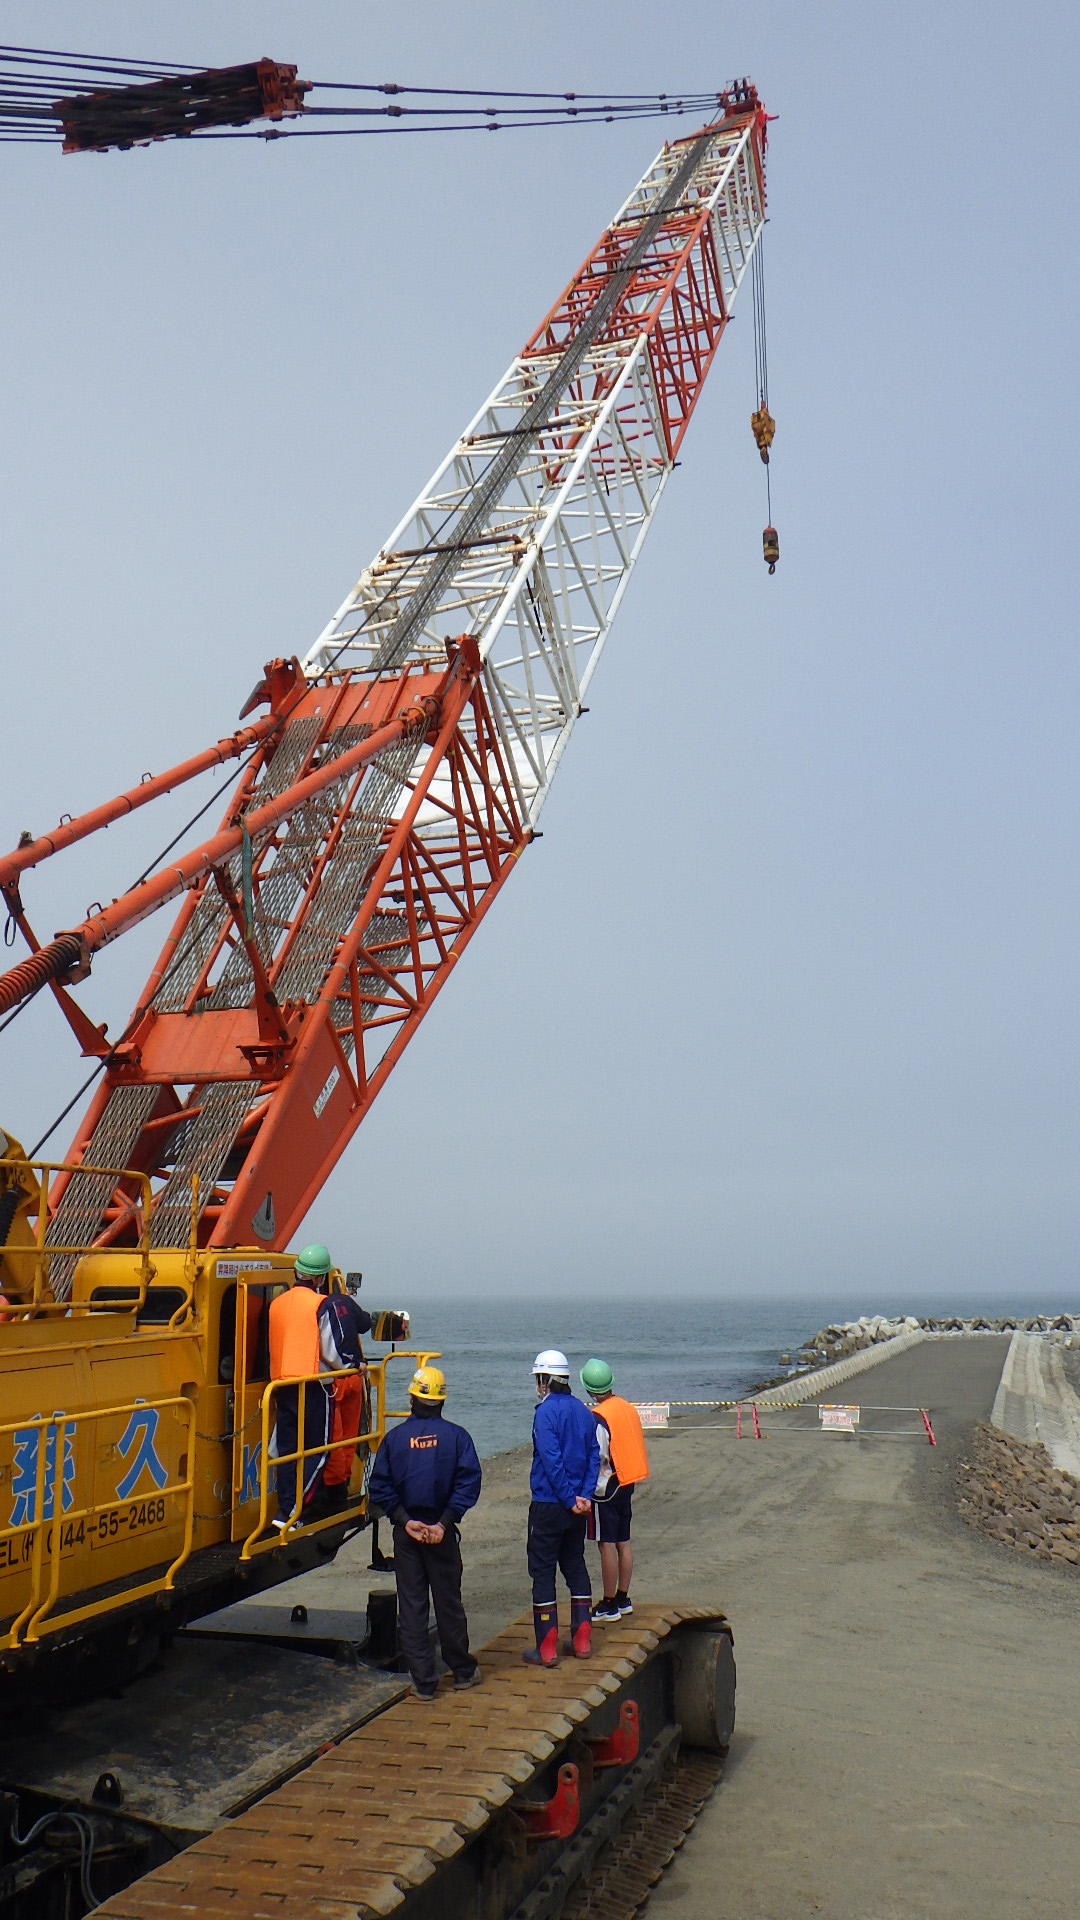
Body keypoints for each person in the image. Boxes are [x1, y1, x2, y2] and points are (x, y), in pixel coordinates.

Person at [368, 1364, 483, 1700]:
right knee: (448, 1602)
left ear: (412, 1398)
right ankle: (462, 1671)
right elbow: (468, 1483)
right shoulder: (458, 1437)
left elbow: (380, 1488)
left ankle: (424, 1683)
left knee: (413, 1605)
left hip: (408, 1534)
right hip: (440, 1532)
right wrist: (443, 1523)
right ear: (442, 1401)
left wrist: (405, 1521)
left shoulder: (394, 1441)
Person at [526, 1349, 600, 1667]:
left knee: (543, 1572)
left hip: (549, 1505)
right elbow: (594, 1455)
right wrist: (583, 1497)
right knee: (575, 1566)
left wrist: (569, 1499)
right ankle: (582, 1641)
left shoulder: (545, 1413)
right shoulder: (584, 1412)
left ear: (544, 1380)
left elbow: (551, 1461)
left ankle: (547, 1647)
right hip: (578, 1509)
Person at [268, 1244, 334, 1529]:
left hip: (281, 1385)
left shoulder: (277, 1304)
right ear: (320, 1278)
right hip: (311, 1385)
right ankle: (292, 1513)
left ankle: (284, 1510)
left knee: (288, 1452)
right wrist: (351, 1368)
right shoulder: (320, 1304)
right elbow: (331, 1351)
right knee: (318, 1451)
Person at [580, 1357, 649, 1621]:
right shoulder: (626, 1408)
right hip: (627, 1480)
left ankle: (608, 1603)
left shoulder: (599, 1417)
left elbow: (597, 1455)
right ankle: (622, 1597)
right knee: (624, 1541)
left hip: (605, 1488)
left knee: (605, 1543)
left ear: (588, 1388)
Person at [309, 1289, 372, 1517]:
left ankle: (331, 1488)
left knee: (331, 1439)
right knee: (349, 1437)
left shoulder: (316, 1307)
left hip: (330, 1381)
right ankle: (344, 1483)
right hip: (354, 1376)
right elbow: (365, 1323)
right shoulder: (344, 1301)